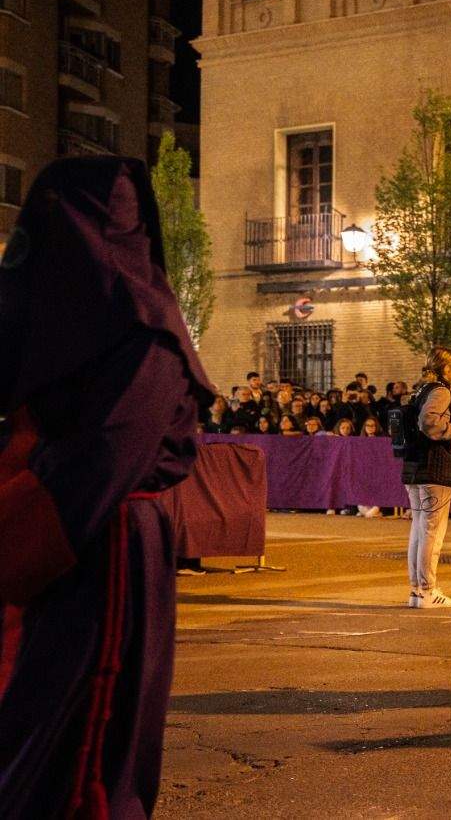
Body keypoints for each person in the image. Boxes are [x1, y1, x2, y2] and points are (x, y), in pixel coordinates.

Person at [0, 157, 214, 817]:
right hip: (66, 546)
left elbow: (105, 459)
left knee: (88, 745)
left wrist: (17, 535)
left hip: (106, 548)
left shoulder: (147, 338)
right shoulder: (67, 332)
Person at [401, 347, 451, 609]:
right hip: (433, 469)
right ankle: (427, 589)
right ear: (445, 368)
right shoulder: (440, 390)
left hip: (415, 468)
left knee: (419, 529)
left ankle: (417, 590)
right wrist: (450, 432)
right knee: (431, 533)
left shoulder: (421, 390)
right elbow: (428, 421)